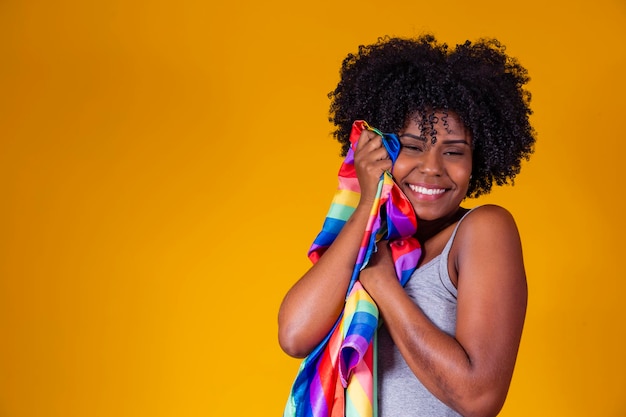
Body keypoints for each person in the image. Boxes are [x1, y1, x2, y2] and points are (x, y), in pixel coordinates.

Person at [278, 34, 535, 417]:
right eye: (412, 146)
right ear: (382, 148)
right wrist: (368, 202)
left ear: (477, 161)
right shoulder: (371, 237)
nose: (432, 167)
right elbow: (295, 335)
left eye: (453, 151)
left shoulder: (483, 229)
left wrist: (381, 283)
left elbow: (478, 397)